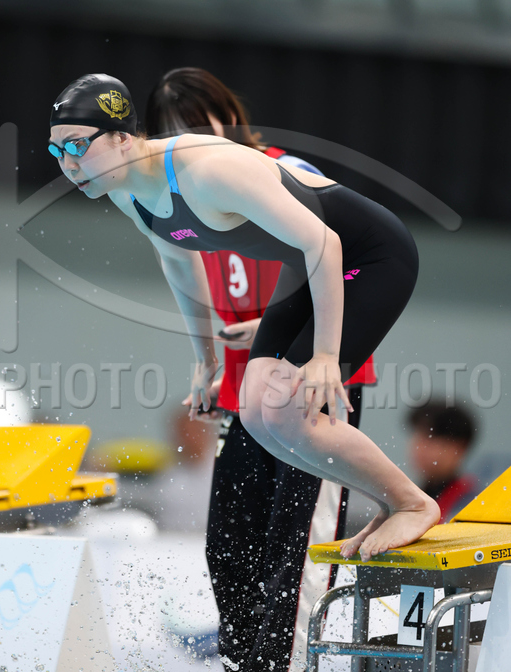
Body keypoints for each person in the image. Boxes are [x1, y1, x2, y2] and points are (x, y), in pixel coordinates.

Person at [48, 74, 439, 585]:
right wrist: (206, 360)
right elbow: (180, 263)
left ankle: (412, 502)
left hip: (368, 256)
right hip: (307, 271)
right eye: (57, 151)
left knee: (287, 406)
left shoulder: (208, 171)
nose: (67, 164)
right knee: (256, 411)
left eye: (77, 146)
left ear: (123, 136)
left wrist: (325, 355)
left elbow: (325, 242)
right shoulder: (128, 193)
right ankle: (391, 501)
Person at [145, 67, 377, 671]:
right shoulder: (183, 200)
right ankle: (240, 662)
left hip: (313, 382)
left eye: (200, 125)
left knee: (295, 550)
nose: (190, 141)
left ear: (229, 117)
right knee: (230, 546)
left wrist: (284, 327)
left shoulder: (282, 171)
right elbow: (188, 278)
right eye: (175, 132)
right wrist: (207, 362)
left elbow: (355, 255)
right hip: (246, 393)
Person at [406, 401, 479, 523]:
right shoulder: (410, 496)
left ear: (459, 447)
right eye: (418, 436)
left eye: (431, 438)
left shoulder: (472, 503)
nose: (420, 446)